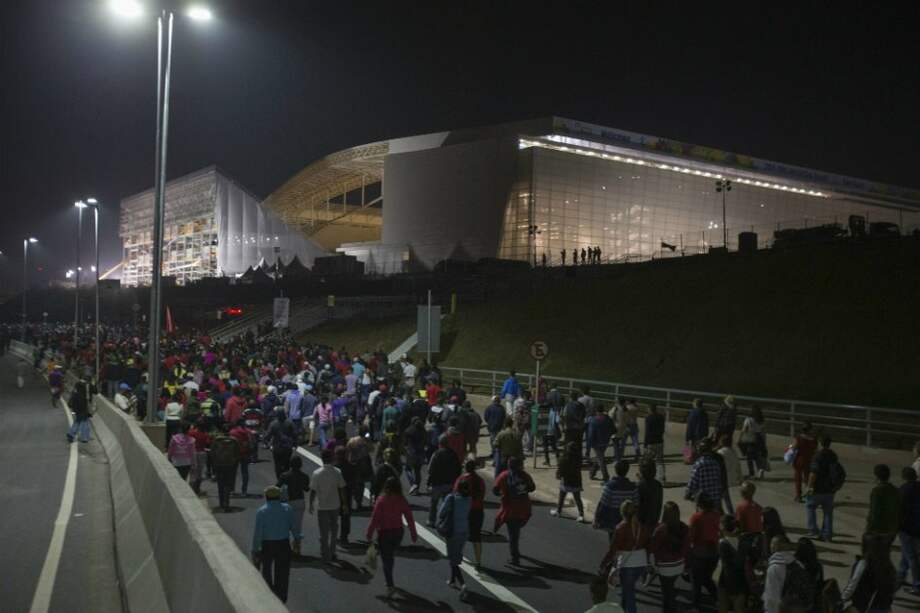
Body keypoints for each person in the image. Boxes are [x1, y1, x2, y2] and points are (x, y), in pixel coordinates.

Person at [367, 476, 418, 598]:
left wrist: (369, 533)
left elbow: (375, 519)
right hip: (398, 533)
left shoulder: (381, 500)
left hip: (384, 533)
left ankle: (390, 585)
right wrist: (413, 533)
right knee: (390, 556)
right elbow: (409, 517)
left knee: (386, 560)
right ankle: (389, 577)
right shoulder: (401, 500)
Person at [251, 485, 302, 603]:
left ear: (266, 497)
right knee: (283, 572)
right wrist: (297, 539)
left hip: (267, 545)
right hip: (283, 544)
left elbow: (258, 533)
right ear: (279, 496)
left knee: (266, 570)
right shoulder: (287, 508)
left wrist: (255, 550)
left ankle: (269, 595)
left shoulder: (261, 511)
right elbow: (294, 526)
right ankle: (282, 596)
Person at [599, 500, 650, 613]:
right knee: (627, 591)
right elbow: (647, 543)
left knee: (629, 594)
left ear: (622, 512)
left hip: (627, 564)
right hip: (640, 563)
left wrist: (603, 564)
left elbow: (613, 550)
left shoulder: (620, 528)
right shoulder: (641, 526)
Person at [493, 456, 535, 566]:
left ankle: (515, 558)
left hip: (510, 509)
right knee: (516, 531)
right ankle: (516, 553)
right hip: (524, 508)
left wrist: (502, 494)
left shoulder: (504, 475)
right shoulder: (525, 475)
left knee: (513, 536)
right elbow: (532, 488)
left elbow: (495, 490)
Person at [309, 448, 349, 563]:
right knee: (334, 529)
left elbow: (313, 491)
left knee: (324, 531)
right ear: (331, 458)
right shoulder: (337, 472)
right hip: (335, 505)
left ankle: (325, 553)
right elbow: (342, 489)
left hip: (322, 506)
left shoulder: (316, 473)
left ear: (322, 459)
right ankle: (332, 552)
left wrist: (311, 503)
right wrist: (345, 504)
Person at [841, 533, 898, 613]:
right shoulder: (889, 565)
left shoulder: (864, 564)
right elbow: (893, 589)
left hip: (864, 607)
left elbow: (852, 585)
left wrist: (842, 599)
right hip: (884, 608)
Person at [650, 501, 690, 613]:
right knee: (670, 589)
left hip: (665, 567)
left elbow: (653, 549)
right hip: (679, 564)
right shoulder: (684, 528)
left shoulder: (660, 530)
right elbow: (686, 548)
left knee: (667, 594)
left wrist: (653, 565)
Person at [805, 435, 844, 541]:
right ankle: (827, 534)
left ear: (820, 443)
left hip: (817, 489)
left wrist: (809, 487)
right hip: (830, 489)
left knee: (810, 507)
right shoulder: (833, 455)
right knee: (828, 512)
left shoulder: (817, 456)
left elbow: (813, 473)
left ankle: (813, 531)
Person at [439, 479, 472, 601]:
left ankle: (463, 584)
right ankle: (452, 580)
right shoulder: (469, 499)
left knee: (453, 559)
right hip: (464, 532)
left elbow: (442, 513)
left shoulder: (451, 498)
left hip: (452, 531)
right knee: (456, 555)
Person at [689, 493, 720, 610]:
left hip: (700, 553)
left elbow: (691, 537)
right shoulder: (716, 514)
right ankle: (717, 598)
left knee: (696, 581)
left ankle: (696, 606)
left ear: (698, 503)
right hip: (714, 553)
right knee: (706, 578)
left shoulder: (696, 517)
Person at [594, 461, 638, 544]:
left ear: (615, 470)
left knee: (613, 542)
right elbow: (636, 505)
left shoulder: (610, 486)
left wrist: (597, 518)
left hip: (613, 520)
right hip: (627, 520)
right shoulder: (633, 487)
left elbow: (603, 504)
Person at [454, 457, 487, 569]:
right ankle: (478, 561)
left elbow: (455, 494)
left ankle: (459, 554)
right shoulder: (480, 480)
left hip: (464, 510)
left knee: (460, 534)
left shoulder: (461, 479)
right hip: (478, 511)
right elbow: (482, 495)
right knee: (476, 536)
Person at [427, 434, 462, 527]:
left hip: (437, 483)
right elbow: (459, 469)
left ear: (440, 443)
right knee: (446, 503)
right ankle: (443, 521)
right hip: (449, 483)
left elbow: (429, 469)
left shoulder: (436, 454)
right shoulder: (453, 454)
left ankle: (431, 521)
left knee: (434, 503)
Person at [717, 515, 747, 613]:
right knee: (739, 607)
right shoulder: (742, 539)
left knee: (723, 604)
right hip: (741, 576)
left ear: (723, 527)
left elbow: (727, 566)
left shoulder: (723, 543)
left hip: (727, 578)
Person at [277, 454, 310, 539]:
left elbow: (277, 487)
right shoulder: (305, 476)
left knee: (285, 526)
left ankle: (286, 547)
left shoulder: (284, 475)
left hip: (287, 502)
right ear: (301, 465)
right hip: (299, 501)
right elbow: (307, 489)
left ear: (290, 464)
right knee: (297, 527)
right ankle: (296, 546)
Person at [899, 467, 920, 595]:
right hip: (918, 528)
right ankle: (901, 576)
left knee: (912, 557)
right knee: (907, 553)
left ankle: (917, 584)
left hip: (907, 529)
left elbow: (899, 510)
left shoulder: (904, 489)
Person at [551, 442, 586, 522]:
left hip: (566, 480)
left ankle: (558, 511)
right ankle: (581, 515)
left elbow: (560, 469)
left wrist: (558, 475)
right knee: (577, 498)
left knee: (562, 496)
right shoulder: (578, 459)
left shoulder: (563, 458)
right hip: (576, 480)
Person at [866, 464, 900, 545]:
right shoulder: (895, 490)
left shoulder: (877, 491)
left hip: (879, 529)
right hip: (892, 528)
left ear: (876, 476)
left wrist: (869, 528)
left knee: (876, 553)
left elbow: (874, 512)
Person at [685, 439, 724, 508]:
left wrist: (687, 494)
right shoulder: (715, 463)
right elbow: (719, 480)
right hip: (716, 500)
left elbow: (693, 481)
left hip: (703, 501)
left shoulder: (699, 464)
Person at [210, 426, 241, 511]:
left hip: (219, 465)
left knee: (220, 484)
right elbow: (238, 454)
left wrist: (214, 464)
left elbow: (212, 453)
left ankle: (221, 503)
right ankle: (226, 502)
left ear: (221, 431)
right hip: (230, 465)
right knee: (228, 484)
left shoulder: (217, 440)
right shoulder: (234, 441)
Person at [795, 537, 824, 613]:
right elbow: (820, 584)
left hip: (799, 602)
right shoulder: (818, 565)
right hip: (813, 601)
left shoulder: (796, 566)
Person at [791, 421, 818, 502]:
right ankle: (809, 496)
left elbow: (793, 448)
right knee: (808, 480)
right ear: (810, 429)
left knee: (798, 479)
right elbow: (816, 451)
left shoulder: (799, 438)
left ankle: (798, 496)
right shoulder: (814, 440)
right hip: (809, 461)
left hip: (799, 460)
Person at [740, 405, 768, 479]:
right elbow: (763, 432)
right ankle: (760, 469)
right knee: (757, 457)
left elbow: (744, 430)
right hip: (759, 440)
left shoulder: (748, 419)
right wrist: (764, 443)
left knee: (749, 458)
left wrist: (741, 438)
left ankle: (751, 473)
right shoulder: (762, 420)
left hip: (750, 439)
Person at [717, 434, 742, 515]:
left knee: (719, 498)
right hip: (732, 478)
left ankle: (722, 514)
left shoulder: (720, 452)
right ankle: (731, 512)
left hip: (723, 479)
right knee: (726, 497)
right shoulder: (733, 451)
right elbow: (738, 466)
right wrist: (740, 478)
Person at [587, 408, 614, 482]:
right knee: (599, 457)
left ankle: (606, 476)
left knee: (601, 459)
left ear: (596, 411)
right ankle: (592, 473)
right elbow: (613, 429)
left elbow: (591, 434)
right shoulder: (608, 419)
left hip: (596, 443)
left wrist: (590, 443)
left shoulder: (593, 420)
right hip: (605, 441)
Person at [636, 459, 663, 530]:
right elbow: (659, 504)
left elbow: (639, 505)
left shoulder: (639, 486)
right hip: (654, 519)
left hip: (642, 522)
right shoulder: (658, 485)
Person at [66, 379, 95, 444]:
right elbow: (84, 404)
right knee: (83, 423)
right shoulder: (83, 395)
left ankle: (72, 434)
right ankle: (83, 437)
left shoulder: (75, 394)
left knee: (79, 422)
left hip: (77, 411)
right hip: (82, 411)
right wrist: (88, 412)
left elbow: (70, 404)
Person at [229, 418, 252, 497]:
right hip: (244, 454)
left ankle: (232, 490)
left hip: (234, 454)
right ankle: (244, 491)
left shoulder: (232, 432)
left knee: (232, 473)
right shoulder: (247, 432)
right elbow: (250, 443)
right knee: (245, 473)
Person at [644, 403, 666, 482]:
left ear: (650, 410)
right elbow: (663, 429)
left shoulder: (648, 418)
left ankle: (646, 475)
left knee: (647, 460)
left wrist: (645, 444)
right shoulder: (661, 417)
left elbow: (647, 432)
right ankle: (661, 477)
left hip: (651, 442)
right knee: (659, 460)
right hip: (659, 440)